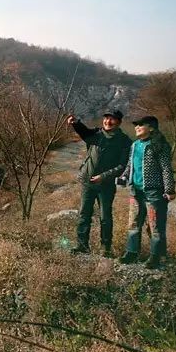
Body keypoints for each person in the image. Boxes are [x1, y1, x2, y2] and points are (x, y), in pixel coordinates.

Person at [66, 109, 132, 257]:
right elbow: (84, 132)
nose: (108, 121)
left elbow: (122, 166)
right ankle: (82, 245)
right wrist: (76, 123)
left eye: (112, 119)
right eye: (106, 118)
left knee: (105, 217)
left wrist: (104, 176)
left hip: (106, 185)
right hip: (87, 181)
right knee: (84, 214)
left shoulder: (125, 141)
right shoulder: (96, 135)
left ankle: (105, 248)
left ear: (119, 122)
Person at [117, 115, 176, 269]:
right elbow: (130, 165)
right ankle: (131, 253)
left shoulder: (159, 145)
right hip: (135, 191)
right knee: (134, 223)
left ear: (151, 128)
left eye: (140, 125)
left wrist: (169, 189)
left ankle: (156, 257)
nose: (137, 127)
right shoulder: (135, 145)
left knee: (155, 226)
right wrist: (123, 177)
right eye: (136, 125)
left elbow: (166, 168)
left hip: (154, 192)